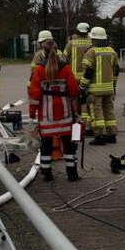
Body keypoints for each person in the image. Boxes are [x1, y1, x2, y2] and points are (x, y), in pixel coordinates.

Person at [29, 43, 80, 181]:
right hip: (65, 113)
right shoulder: (66, 68)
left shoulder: (39, 69)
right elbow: (74, 90)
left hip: (46, 115)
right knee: (69, 145)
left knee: (46, 145)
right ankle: (72, 173)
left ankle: (46, 173)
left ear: (43, 52)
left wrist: (32, 113)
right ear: (58, 51)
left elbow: (34, 94)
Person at [80, 26, 120, 145]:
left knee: (97, 112)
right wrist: (114, 85)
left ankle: (99, 136)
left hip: (95, 90)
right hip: (109, 88)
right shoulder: (112, 51)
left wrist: (82, 86)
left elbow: (88, 72)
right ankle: (112, 135)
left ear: (94, 39)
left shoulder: (91, 52)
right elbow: (116, 70)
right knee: (109, 111)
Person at [63, 22, 94, 131]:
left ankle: (75, 123)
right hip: (89, 78)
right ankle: (89, 124)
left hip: (74, 77)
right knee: (88, 102)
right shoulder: (92, 43)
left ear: (77, 31)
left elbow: (63, 59)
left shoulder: (71, 43)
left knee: (74, 101)